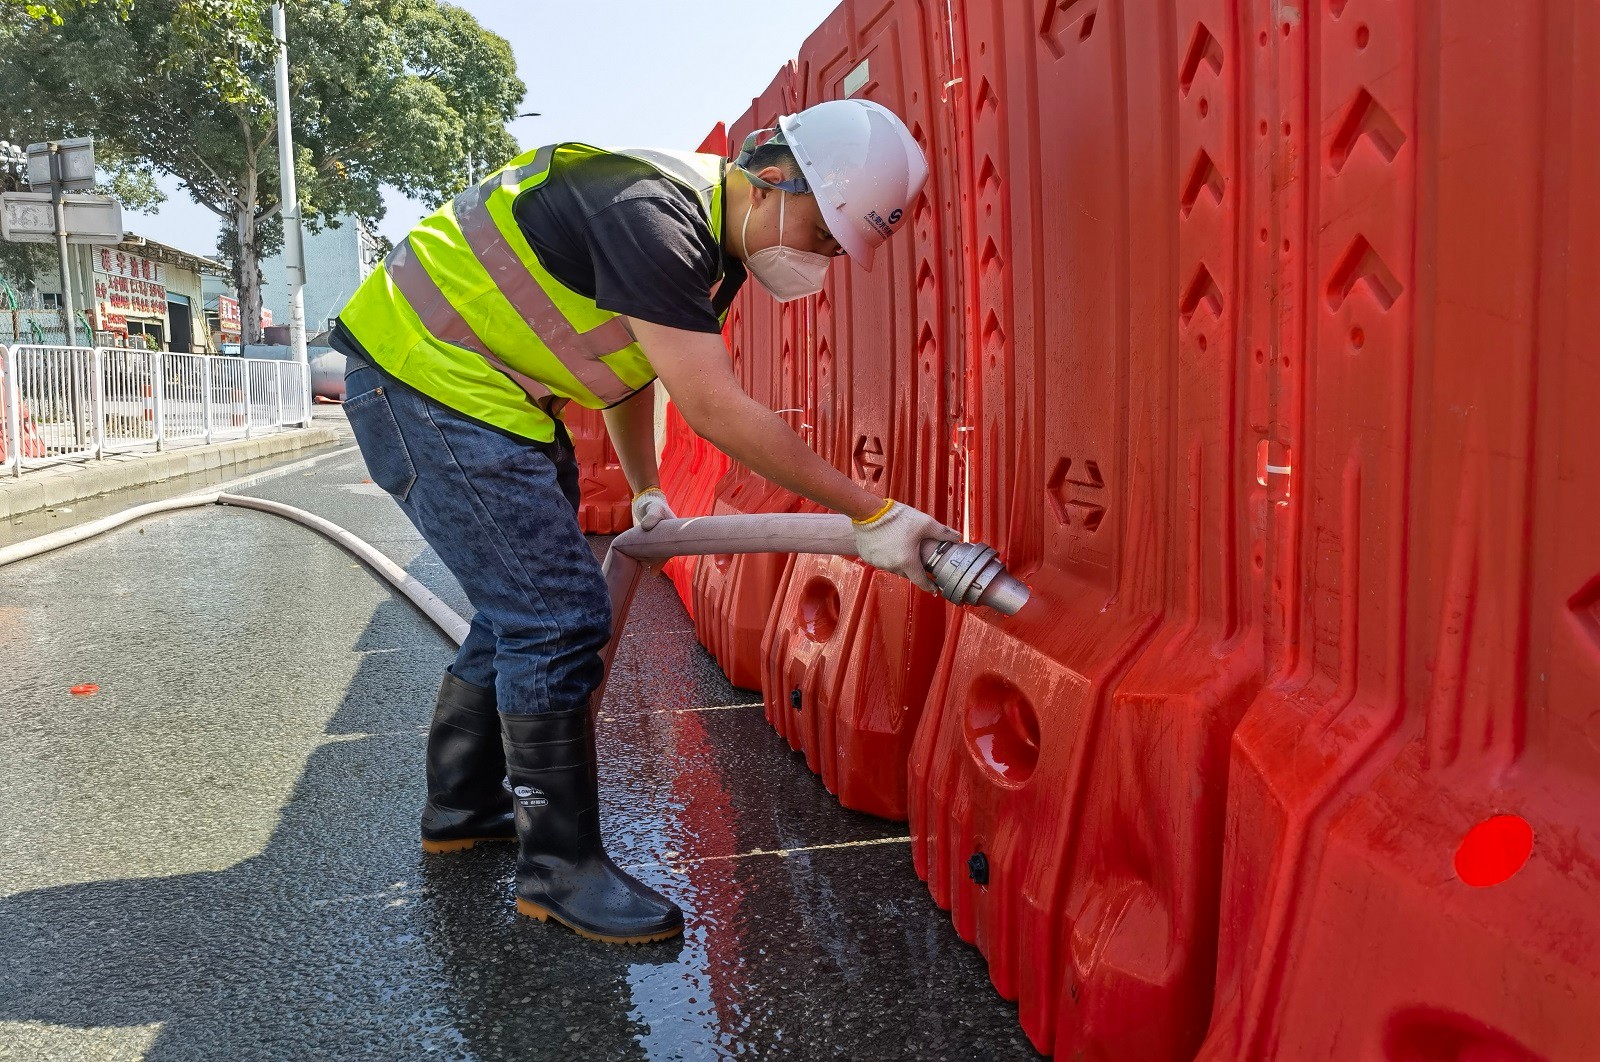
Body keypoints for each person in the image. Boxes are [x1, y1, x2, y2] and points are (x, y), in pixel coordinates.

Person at [330, 98, 959, 945]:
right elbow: (715, 407)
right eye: (825, 230)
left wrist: (644, 487)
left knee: (523, 608)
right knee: (553, 618)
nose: (824, 255)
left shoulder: (709, 246)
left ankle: (463, 808)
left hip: (486, 398)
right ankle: (558, 872)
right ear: (775, 177)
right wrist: (871, 511)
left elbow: (627, 372)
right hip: (425, 384)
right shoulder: (651, 215)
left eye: (839, 247)